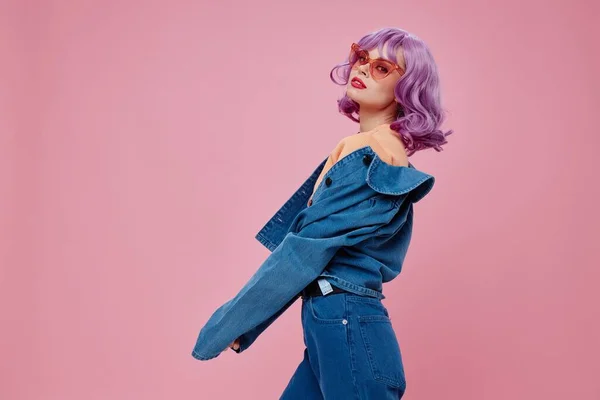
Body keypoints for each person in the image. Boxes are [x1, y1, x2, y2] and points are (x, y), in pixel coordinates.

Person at [191, 27, 452, 399]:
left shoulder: (371, 151)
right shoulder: (370, 150)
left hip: (345, 320)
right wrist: (246, 327)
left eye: (382, 68)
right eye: (362, 58)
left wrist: (231, 323)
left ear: (407, 88)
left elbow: (305, 250)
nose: (362, 69)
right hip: (333, 320)